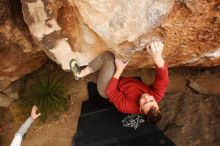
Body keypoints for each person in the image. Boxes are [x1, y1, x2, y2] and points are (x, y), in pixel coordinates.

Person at [70, 40, 169, 124]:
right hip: (120, 82)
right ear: (156, 103)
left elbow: (111, 92)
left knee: (108, 57)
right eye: (151, 100)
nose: (146, 97)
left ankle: (79, 74)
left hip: (107, 89)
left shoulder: (128, 107)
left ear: (140, 109)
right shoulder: (156, 96)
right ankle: (85, 75)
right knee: (94, 74)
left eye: (144, 103)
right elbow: (163, 79)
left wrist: (119, 69)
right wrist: (157, 58)